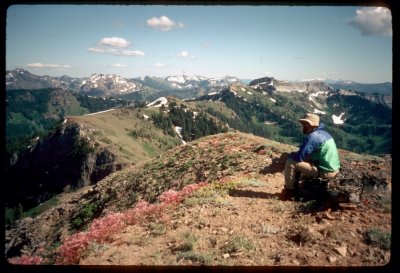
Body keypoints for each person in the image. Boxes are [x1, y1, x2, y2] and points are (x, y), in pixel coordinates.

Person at [282, 113, 340, 200]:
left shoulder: (313, 137)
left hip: (326, 172)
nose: (304, 126)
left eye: (307, 124)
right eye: (303, 124)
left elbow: (299, 157)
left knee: (291, 161)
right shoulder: (324, 134)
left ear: (313, 125)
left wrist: (290, 155)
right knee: (302, 160)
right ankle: (298, 186)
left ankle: (290, 192)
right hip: (333, 169)